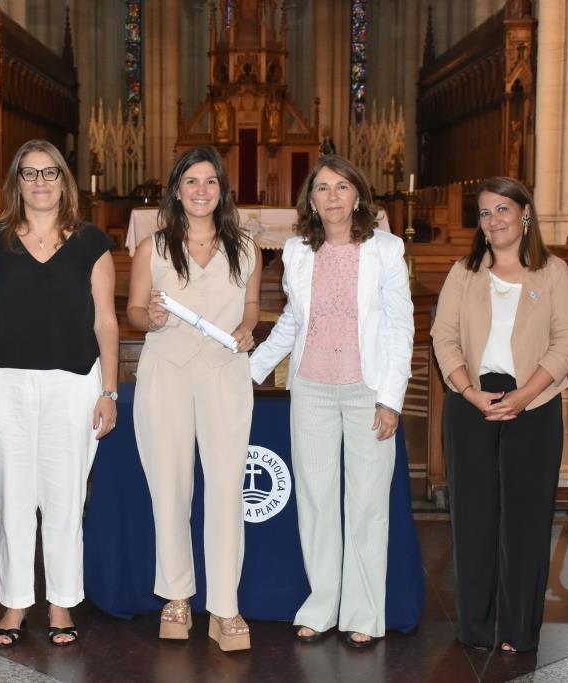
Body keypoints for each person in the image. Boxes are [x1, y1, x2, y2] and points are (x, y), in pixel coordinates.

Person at [249, 154, 414, 648]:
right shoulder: (298, 250)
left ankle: (364, 612)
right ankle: (322, 605)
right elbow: (293, 321)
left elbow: (401, 328)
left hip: (368, 390)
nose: (333, 196)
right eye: (322, 188)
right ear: (312, 200)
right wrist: (250, 369)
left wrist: (391, 399)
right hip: (312, 388)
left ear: (358, 195)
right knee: (317, 500)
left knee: (366, 503)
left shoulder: (386, 249)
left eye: (342, 186)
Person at [0, 139, 118, 649]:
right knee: (14, 497)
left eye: (49, 172)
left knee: (65, 498)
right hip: (3, 382)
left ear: (63, 180)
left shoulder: (92, 243)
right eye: (29, 173)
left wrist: (109, 390)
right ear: (17, 183)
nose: (40, 182)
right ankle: (14, 603)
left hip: (73, 383)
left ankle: (61, 602)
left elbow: (106, 321)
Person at [431, 176, 568, 654]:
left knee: (526, 521)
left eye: (502, 209)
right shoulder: (464, 272)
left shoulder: (553, 273)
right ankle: (476, 627)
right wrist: (468, 392)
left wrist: (524, 395)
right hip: (471, 403)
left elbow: (567, 342)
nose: (493, 220)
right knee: (473, 519)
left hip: (534, 404)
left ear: (524, 214)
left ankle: (518, 629)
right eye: (485, 212)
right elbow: (443, 337)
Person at [127, 145, 261, 652]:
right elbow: (134, 310)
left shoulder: (246, 247)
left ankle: (225, 606)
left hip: (225, 372)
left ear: (222, 190)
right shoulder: (153, 248)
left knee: (226, 489)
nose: (201, 190)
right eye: (191, 181)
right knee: (170, 487)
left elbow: (252, 304)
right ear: (177, 190)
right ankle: (177, 596)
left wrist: (248, 327)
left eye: (210, 181)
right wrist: (149, 317)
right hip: (167, 371)